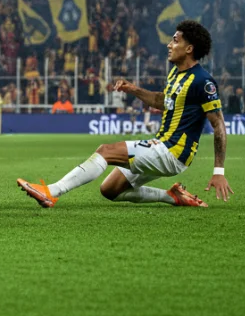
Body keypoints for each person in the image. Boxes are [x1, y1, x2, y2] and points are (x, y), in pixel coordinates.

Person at [18, 21, 233, 208]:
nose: (169, 45)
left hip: (172, 151)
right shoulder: (176, 74)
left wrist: (219, 172)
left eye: (175, 41)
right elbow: (162, 101)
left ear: (189, 48)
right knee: (110, 189)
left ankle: (51, 192)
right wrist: (134, 90)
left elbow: (219, 125)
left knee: (105, 151)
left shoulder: (203, 81)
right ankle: (172, 196)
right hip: (162, 145)